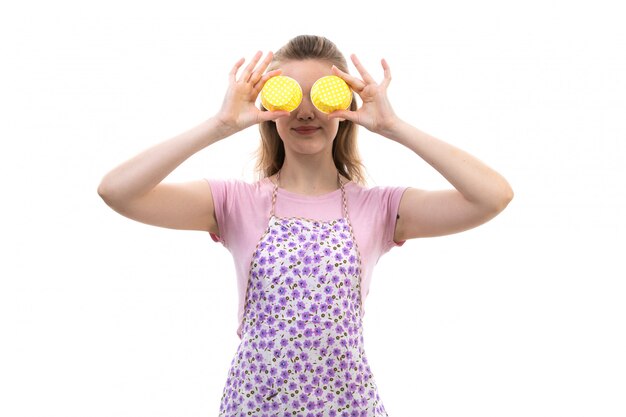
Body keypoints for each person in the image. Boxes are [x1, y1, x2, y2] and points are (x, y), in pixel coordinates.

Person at [98, 34, 513, 417]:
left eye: (321, 95)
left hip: (350, 404)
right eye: (289, 94)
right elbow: (118, 192)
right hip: (254, 404)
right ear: (268, 107)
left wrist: (394, 126)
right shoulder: (234, 202)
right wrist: (220, 125)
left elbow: (492, 197)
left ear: (345, 107)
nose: (304, 111)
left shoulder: (381, 208)